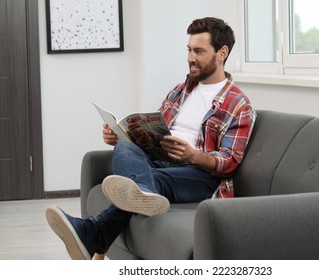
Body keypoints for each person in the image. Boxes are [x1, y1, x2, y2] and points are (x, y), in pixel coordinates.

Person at [45, 17, 257, 260]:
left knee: (141, 181)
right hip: (160, 161)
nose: (190, 57)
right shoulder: (179, 91)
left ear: (222, 53)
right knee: (125, 148)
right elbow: (155, 130)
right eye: (189, 50)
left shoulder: (239, 104)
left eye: (199, 51)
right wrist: (120, 136)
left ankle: (95, 229)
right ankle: (141, 193)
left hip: (200, 176)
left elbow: (230, 160)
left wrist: (193, 155)